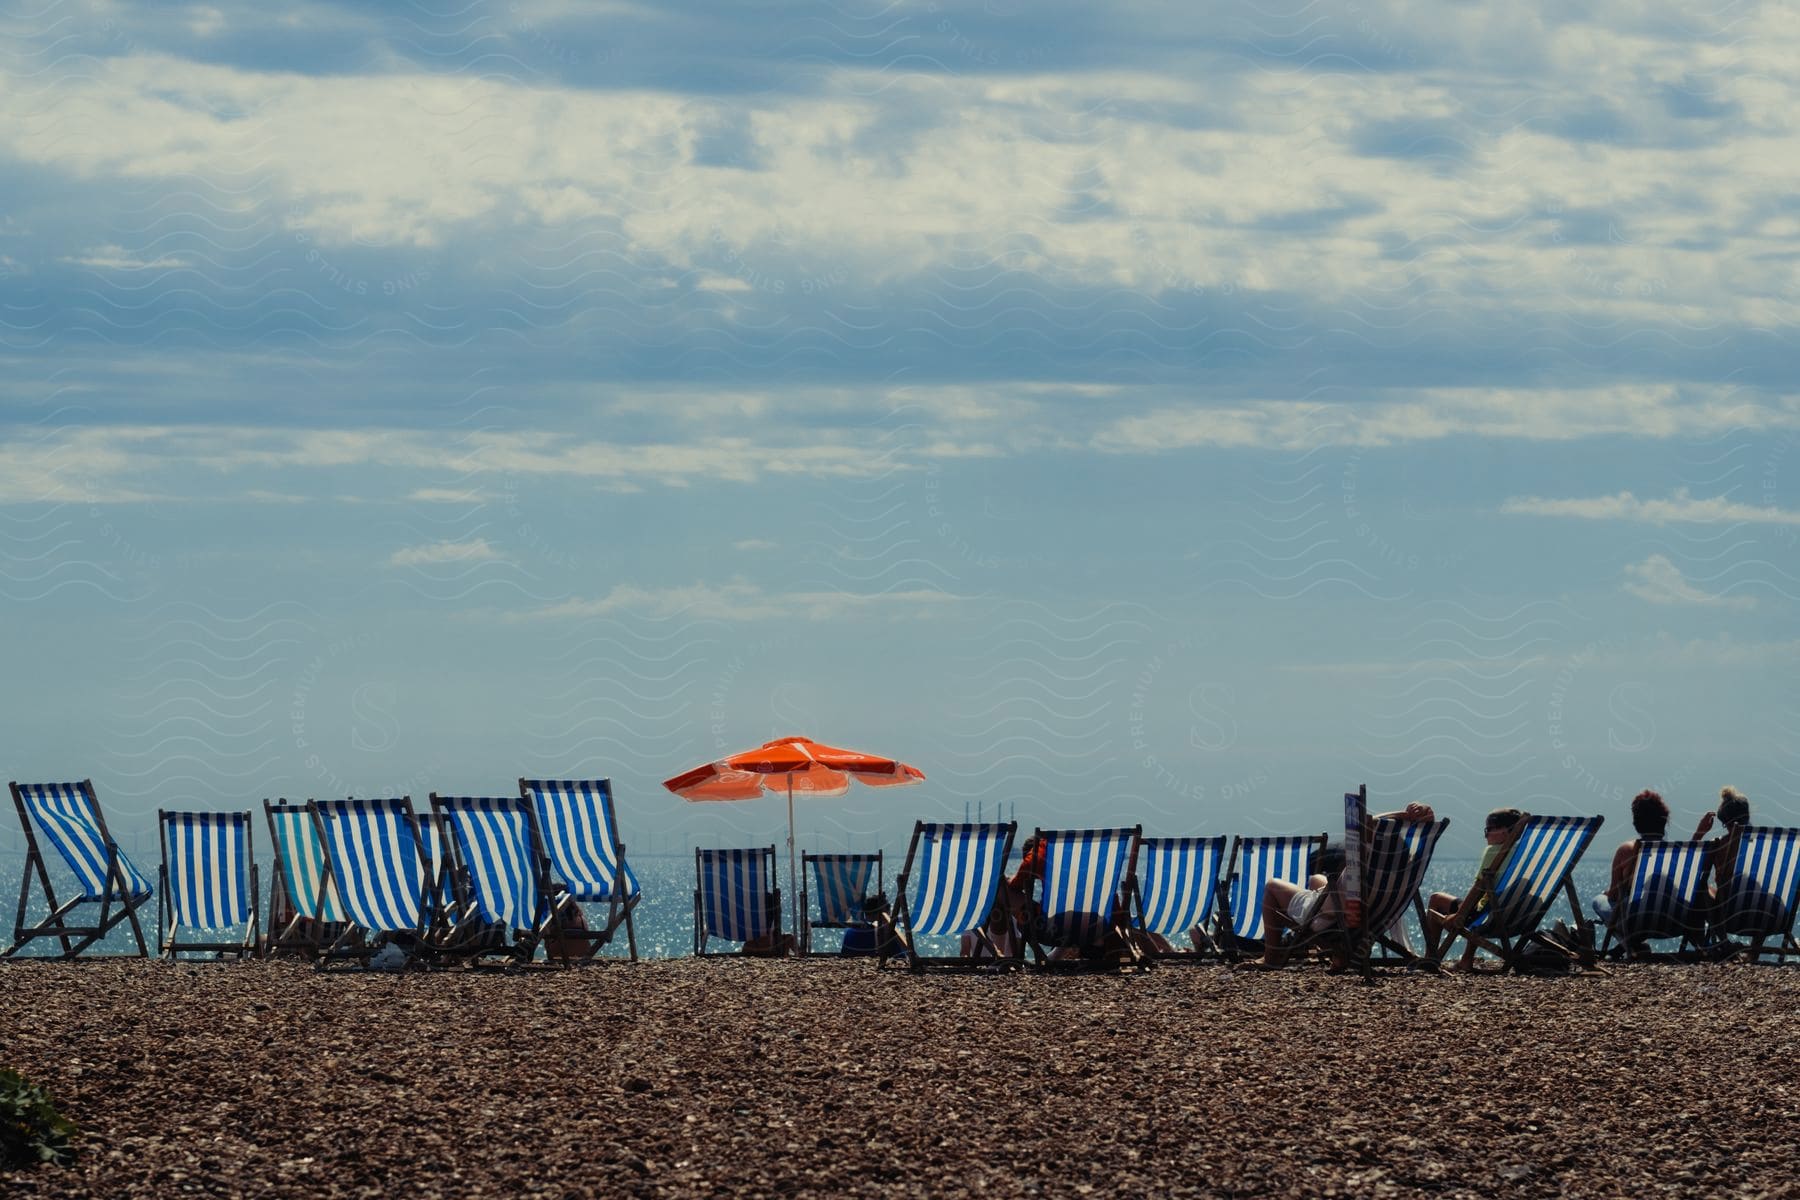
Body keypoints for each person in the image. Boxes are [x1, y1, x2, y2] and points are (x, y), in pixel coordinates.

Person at [1245, 802, 1436, 968]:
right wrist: (1420, 813)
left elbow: (1364, 825)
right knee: (1316, 879)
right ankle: (1337, 952)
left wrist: (1401, 815)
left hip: (1332, 917)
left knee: (1272, 886)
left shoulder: (1362, 864)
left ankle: (1271, 957)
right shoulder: (1401, 872)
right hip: (1369, 916)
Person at [1422, 807, 1523, 971]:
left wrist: (1458, 915)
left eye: (1489, 829)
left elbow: (1479, 888)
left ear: (1506, 831)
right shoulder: (1523, 853)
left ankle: (1430, 958)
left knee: (1436, 898)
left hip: (1487, 916)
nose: (1486, 834)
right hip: (1513, 916)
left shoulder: (1494, 852)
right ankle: (1466, 960)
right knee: (1484, 903)